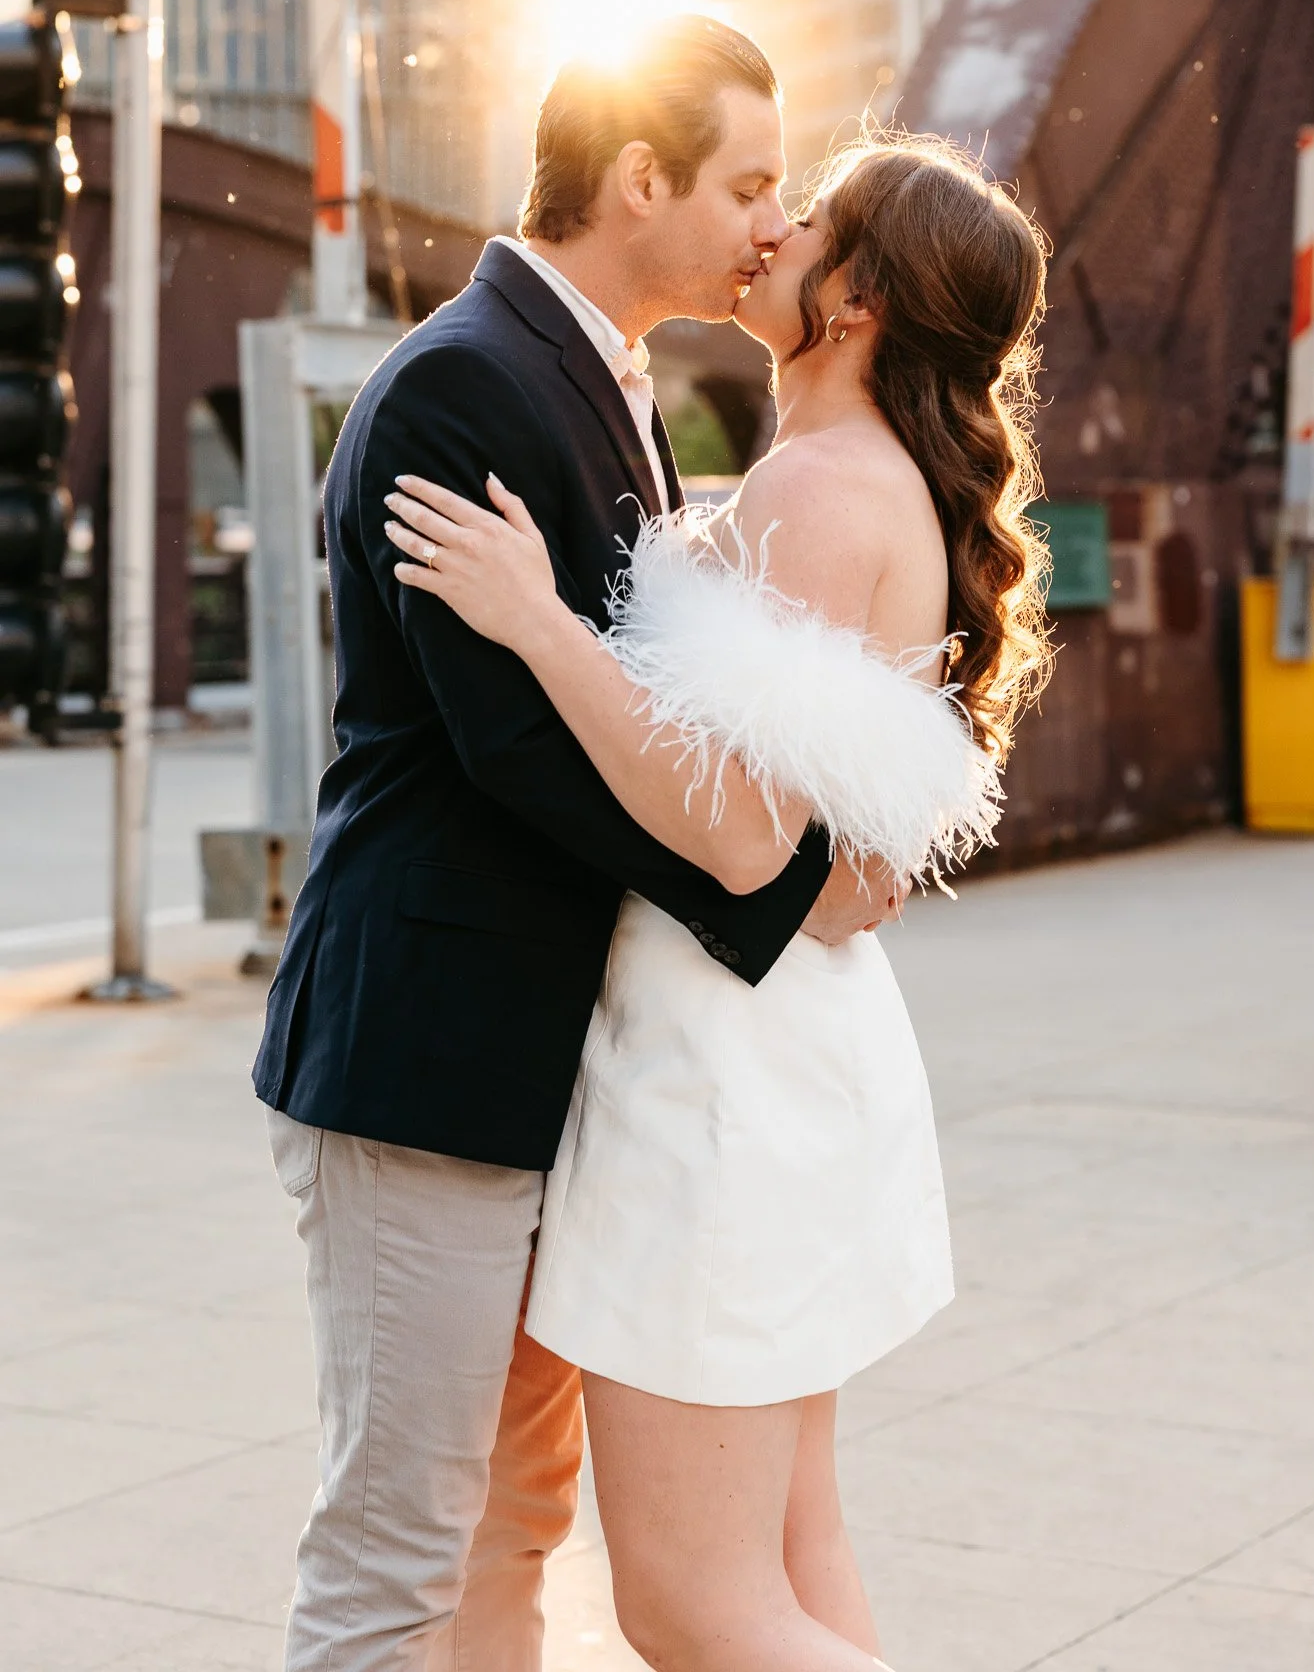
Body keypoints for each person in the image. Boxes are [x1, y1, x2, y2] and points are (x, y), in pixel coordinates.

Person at [252, 16, 890, 1671]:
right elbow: (519, 745)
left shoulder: (610, 379)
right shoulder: (462, 383)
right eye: (748, 184)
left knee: (510, 1526)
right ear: (638, 178)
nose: (774, 223)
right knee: (399, 1550)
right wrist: (779, 887)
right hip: (427, 1057)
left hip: (547, 1067)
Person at [385, 128, 1051, 1671]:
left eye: (805, 216)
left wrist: (539, 623)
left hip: (723, 1086)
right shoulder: (857, 481)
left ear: (860, 297)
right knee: (796, 1551)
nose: (774, 230)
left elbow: (748, 842)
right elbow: (830, 849)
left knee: (691, 1601)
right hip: (781, 1059)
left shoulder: (816, 489)